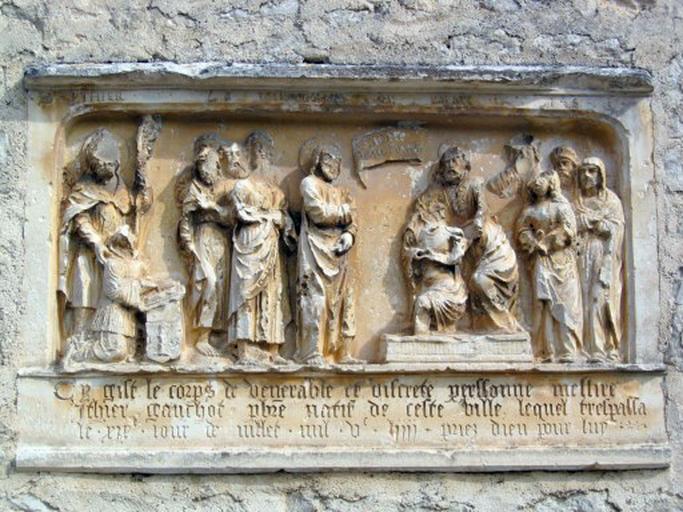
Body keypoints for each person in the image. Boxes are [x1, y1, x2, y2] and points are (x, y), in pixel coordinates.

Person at [404, 146, 520, 334]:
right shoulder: (442, 191)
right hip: (471, 247)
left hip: (491, 245)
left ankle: (504, 327)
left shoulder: (474, 184)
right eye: (446, 163)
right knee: (473, 283)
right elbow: (425, 207)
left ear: (465, 165)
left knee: (481, 281)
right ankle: (487, 328)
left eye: (455, 161)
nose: (450, 166)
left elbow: (481, 214)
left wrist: (462, 238)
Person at [58, 129, 146, 340]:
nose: (100, 170)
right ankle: (78, 337)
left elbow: (131, 215)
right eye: (96, 166)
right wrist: (96, 242)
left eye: (105, 165)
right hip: (90, 253)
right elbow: (79, 219)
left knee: (114, 299)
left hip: (115, 257)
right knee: (85, 289)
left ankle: (107, 340)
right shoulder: (85, 188)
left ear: (115, 163)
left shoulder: (123, 191)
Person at [227, 140, 296, 364]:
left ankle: (272, 349)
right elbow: (238, 213)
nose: (263, 157)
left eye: (266, 152)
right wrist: (267, 216)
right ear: (251, 156)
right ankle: (245, 348)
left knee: (273, 293)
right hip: (249, 243)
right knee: (245, 291)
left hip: (271, 246)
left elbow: (286, 220)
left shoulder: (277, 192)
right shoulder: (242, 186)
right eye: (258, 152)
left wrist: (282, 220)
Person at [296, 141, 358, 364]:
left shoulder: (342, 192)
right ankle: (312, 351)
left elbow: (354, 219)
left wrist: (349, 234)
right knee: (315, 298)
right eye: (327, 161)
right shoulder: (309, 184)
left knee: (344, 299)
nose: (332, 167)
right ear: (317, 161)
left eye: (337, 163)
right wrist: (344, 212)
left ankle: (344, 352)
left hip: (339, 252)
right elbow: (319, 213)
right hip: (315, 249)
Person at [177, 134, 235, 357]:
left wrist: (214, 208)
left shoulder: (221, 190)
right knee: (207, 282)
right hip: (201, 238)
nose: (208, 172)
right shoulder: (193, 190)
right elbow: (185, 221)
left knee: (220, 286)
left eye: (211, 167)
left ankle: (215, 335)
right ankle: (199, 335)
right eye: (204, 167)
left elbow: (230, 217)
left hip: (220, 241)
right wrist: (189, 246)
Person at [517, 171, 583, 362]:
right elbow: (521, 231)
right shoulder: (529, 211)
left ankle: (567, 349)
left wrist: (547, 242)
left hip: (562, 261)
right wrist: (532, 242)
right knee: (543, 304)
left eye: (542, 180)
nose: (537, 183)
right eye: (535, 181)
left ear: (552, 183)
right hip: (541, 261)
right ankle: (547, 350)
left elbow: (569, 230)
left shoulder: (561, 206)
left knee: (566, 304)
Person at [574, 157, 624, 362]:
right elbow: (568, 226)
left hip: (603, 255)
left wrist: (602, 226)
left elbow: (617, 228)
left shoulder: (611, 201)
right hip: (579, 255)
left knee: (599, 298)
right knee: (580, 300)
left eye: (592, 171)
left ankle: (601, 347)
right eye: (583, 171)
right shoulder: (575, 202)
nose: (587, 175)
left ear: (600, 175)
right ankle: (582, 347)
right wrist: (581, 222)